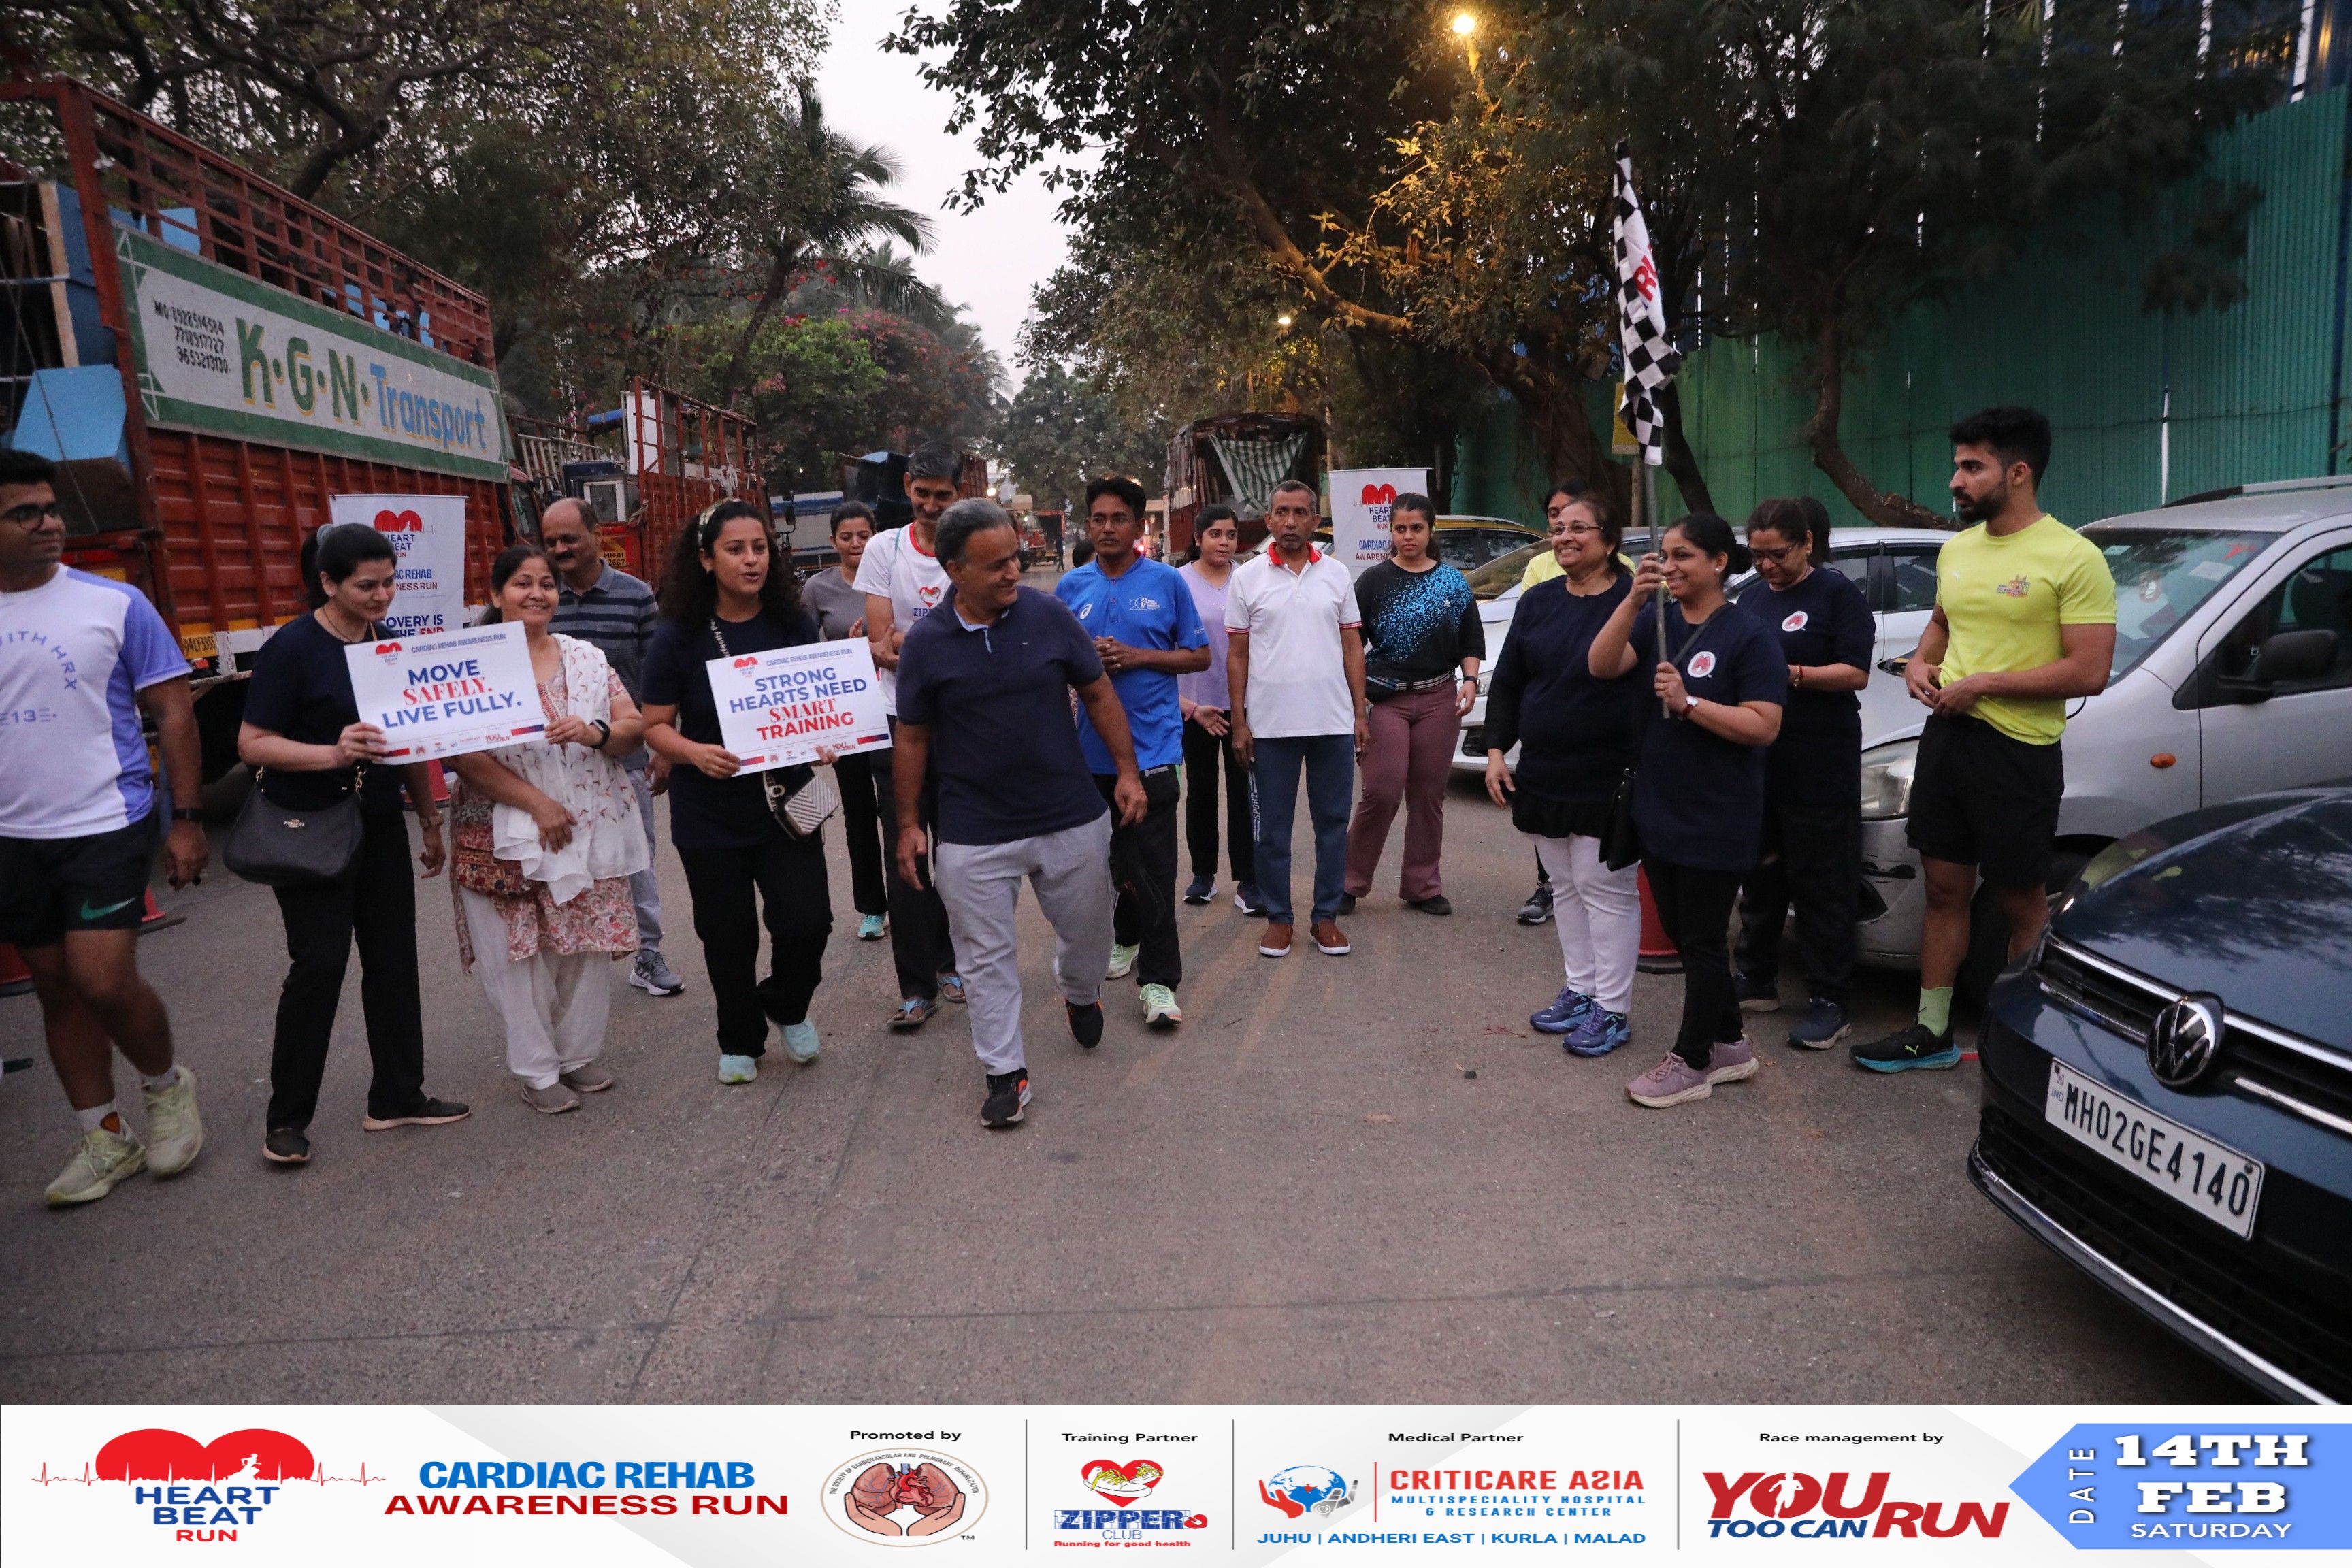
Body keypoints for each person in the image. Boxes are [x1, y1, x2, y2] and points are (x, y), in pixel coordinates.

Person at [1850, 408, 2116, 1071]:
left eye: (1972, 467)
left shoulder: (2073, 556)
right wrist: (1919, 663)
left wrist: (1986, 684)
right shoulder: (1958, 550)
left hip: (2019, 751)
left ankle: (2025, 1035)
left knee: (2020, 898)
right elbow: (1942, 625)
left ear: (2018, 473)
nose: (1956, 481)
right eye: (1957, 466)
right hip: (1948, 738)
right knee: (1944, 889)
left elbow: (2090, 670)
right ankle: (1932, 1032)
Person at [892, 500, 1146, 1128]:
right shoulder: (926, 644)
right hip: (974, 830)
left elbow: (1097, 692)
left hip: (1068, 814)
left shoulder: (1048, 615)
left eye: (1016, 558)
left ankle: (1080, 991)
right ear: (955, 570)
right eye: (997, 565)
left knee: (1090, 932)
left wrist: (1128, 773)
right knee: (984, 957)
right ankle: (1006, 1072)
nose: (1014, 572)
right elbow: (913, 738)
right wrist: (908, 824)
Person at [0, 447, 206, 1205]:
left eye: (51, 509)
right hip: (12, 838)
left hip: (104, 821)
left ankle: (167, 1088)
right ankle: (106, 1136)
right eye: (25, 514)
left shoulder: (115, 604)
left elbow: (175, 713)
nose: (48, 523)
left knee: (101, 980)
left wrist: (186, 820)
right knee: (56, 988)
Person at [238, 524, 468, 1166]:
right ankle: (287, 1119)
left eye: (390, 582)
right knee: (319, 967)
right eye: (367, 585)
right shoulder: (292, 648)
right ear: (328, 582)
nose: (382, 596)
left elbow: (409, 739)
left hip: (379, 826)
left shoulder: (389, 647)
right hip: (308, 830)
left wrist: (428, 818)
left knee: (393, 962)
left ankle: (397, 1095)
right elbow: (252, 743)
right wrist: (332, 753)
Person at [1590, 512, 1786, 1109]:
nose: (1670, 567)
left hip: (1717, 813)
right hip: (1660, 807)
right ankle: (1730, 1042)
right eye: (1665, 556)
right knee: (1683, 933)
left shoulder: (1749, 635)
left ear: (1719, 562)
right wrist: (1633, 599)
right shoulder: (1659, 621)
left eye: (1683, 557)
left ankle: (1693, 1060)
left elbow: (1763, 724)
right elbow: (1601, 664)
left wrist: (1689, 701)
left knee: (1701, 940)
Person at [445, 545, 649, 1113]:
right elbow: (463, 753)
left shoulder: (586, 657)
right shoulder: (471, 664)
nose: (537, 593)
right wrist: (538, 804)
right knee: (518, 953)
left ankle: (577, 1055)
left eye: (547, 584)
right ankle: (537, 1070)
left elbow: (633, 726)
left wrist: (596, 733)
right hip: (501, 827)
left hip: (588, 823)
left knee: (585, 942)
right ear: (495, 594)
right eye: (522, 583)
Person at [641, 501, 836, 1084]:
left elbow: (820, 704)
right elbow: (654, 726)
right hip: (709, 811)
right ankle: (739, 1038)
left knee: (808, 924)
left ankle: (786, 1004)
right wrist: (693, 753)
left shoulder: (792, 623)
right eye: (735, 549)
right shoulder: (677, 636)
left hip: (787, 803)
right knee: (727, 936)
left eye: (759, 548)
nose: (752, 560)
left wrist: (826, 738)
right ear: (706, 559)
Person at [1482, 486, 1645, 1056]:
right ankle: (1581, 989)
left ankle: (1613, 1009)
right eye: (1558, 529)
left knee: (1605, 888)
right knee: (1566, 886)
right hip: (1545, 768)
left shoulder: (1635, 600)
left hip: (1608, 769)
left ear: (1609, 540)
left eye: (1579, 528)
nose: (1565, 537)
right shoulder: (1540, 599)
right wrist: (1497, 750)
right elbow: (1510, 679)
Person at [1054, 476, 1209, 1027]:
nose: (1108, 528)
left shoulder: (1167, 582)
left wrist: (1138, 656)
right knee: (1104, 869)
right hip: (1088, 756)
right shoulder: (1071, 587)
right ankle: (1124, 937)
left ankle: (1160, 983)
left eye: (1119, 519)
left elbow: (1198, 656)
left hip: (1154, 750)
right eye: (1099, 518)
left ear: (1140, 525)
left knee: (1155, 870)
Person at [1732, 497, 1875, 1050]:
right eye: (1757, 555)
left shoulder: (1837, 595)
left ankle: (1830, 998)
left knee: (1822, 882)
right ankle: (1756, 976)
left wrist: (1789, 672)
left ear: (1807, 543)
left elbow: (1855, 672)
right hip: (1761, 758)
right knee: (1761, 873)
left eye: (1778, 554)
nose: (1766, 565)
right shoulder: (1751, 597)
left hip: (1820, 759)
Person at [540, 498, 683, 998]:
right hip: (552, 766)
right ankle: (574, 963)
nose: (560, 549)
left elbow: (660, 678)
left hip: (625, 756)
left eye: (570, 539)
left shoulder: (636, 597)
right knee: (561, 862)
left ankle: (649, 954)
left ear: (597, 536)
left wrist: (664, 748)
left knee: (635, 857)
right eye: (551, 542)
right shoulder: (540, 597)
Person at [1226, 478, 1369, 960]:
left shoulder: (1337, 574)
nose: (1290, 522)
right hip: (1271, 728)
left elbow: (1352, 647)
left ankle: (1325, 918)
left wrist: (1360, 713)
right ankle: (1279, 919)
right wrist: (1240, 722)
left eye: (1300, 513)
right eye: (1281, 512)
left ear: (1314, 520)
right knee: (1272, 832)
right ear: (1268, 519)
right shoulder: (1247, 578)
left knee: (1333, 826)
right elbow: (1237, 656)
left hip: (1332, 723)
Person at [858, 444, 965, 1030]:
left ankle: (955, 964)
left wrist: (910, 645)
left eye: (942, 496)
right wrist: (942, 649)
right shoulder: (884, 548)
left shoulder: (969, 544)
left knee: (960, 852)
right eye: (922, 494)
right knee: (905, 848)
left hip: (962, 723)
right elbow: (880, 643)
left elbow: (980, 631)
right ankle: (916, 986)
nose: (930, 505)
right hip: (896, 719)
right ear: (907, 487)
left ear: (958, 493)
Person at [1343, 492, 1482, 917]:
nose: (1408, 536)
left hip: (1440, 698)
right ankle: (1348, 883)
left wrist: (1470, 680)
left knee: (1428, 795)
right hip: (1386, 700)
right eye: (1400, 528)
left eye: (1416, 528)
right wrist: (1358, 702)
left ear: (1430, 530)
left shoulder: (1453, 582)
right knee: (1381, 792)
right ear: (1390, 531)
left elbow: (1471, 639)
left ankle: (1422, 886)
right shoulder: (1373, 581)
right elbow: (1350, 645)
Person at [802, 501, 890, 942]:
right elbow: (803, 653)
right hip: (847, 718)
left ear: (875, 536)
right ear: (833, 540)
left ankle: (915, 901)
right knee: (858, 812)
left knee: (899, 810)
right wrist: (846, 649)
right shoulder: (817, 588)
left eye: (863, 535)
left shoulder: (892, 579)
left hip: (894, 710)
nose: (856, 544)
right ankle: (873, 907)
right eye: (847, 536)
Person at [1177, 505, 1261, 915]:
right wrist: (1188, 707)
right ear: (1198, 538)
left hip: (1242, 707)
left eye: (1230, 535)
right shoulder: (1177, 582)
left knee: (1244, 792)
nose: (1224, 542)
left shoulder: (1248, 579)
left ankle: (1248, 879)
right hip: (1195, 707)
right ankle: (1203, 875)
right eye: (1215, 534)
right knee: (1201, 790)